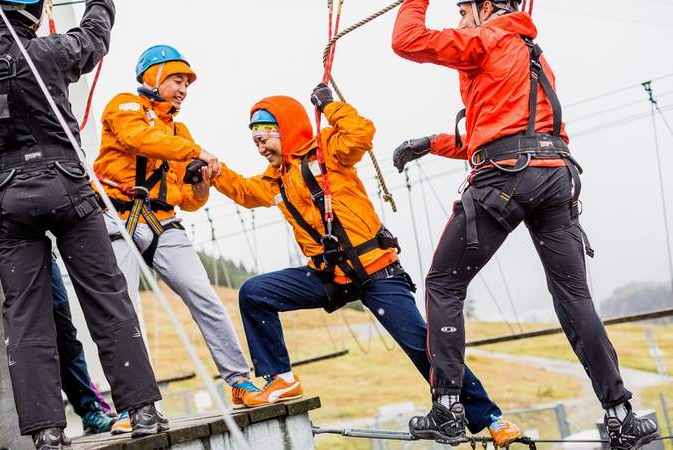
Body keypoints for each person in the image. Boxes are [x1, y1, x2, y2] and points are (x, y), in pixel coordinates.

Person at [390, 1, 659, 448]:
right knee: (574, 296)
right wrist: (431, 143)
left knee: (443, 283)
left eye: (462, 11)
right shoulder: (533, 54)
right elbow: (505, 126)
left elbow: (407, 41)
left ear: (487, 8)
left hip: (505, 176)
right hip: (556, 175)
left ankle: (449, 408)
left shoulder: (489, 38)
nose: (458, 22)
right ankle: (621, 414)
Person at [204, 84, 521, 445]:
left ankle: (492, 418)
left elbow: (360, 133)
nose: (260, 146)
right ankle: (280, 378)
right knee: (255, 293)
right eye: (255, 140)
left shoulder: (328, 152)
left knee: (422, 346)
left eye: (265, 135)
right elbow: (246, 192)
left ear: (287, 128)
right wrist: (215, 173)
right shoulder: (277, 180)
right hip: (330, 276)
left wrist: (330, 105)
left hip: (376, 271)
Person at [0, 0, 166, 448]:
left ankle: (47, 433)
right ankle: (143, 410)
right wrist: (100, 3)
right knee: (106, 297)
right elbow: (94, 37)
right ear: (32, 14)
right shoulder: (49, 51)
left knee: (26, 321)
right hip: (66, 184)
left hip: (6, 200)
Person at [93, 45, 259, 431]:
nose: (183, 88)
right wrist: (194, 151)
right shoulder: (124, 107)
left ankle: (239, 381)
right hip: (117, 220)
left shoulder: (179, 132)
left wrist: (200, 187)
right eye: (176, 79)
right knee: (123, 312)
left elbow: (186, 198)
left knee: (205, 298)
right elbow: (141, 141)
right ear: (152, 77)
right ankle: (133, 406)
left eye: (186, 83)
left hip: (163, 223)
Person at [51, 256, 117, 435]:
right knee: (28, 346)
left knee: (65, 336)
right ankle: (45, 426)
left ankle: (91, 410)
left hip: (41, 254)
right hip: (10, 253)